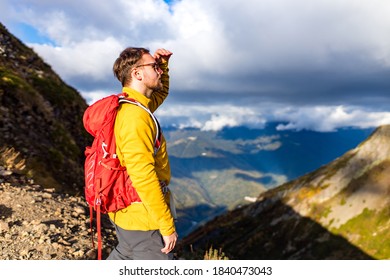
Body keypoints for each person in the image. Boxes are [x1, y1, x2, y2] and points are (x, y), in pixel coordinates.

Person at [107, 47, 177, 260]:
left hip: (128, 212)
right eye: (153, 67)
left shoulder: (134, 105)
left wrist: (163, 65)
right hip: (144, 217)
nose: (158, 71)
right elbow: (144, 177)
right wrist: (166, 225)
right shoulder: (136, 117)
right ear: (137, 73)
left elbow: (161, 91)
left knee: (126, 254)